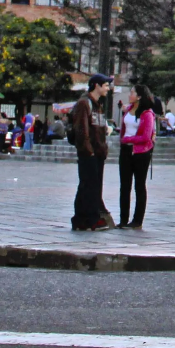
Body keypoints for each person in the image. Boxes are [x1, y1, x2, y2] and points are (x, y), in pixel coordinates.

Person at [68, 74, 115, 231]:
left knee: (92, 186)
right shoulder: (84, 103)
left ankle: (84, 219)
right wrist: (89, 151)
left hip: (98, 152)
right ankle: (88, 218)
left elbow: (99, 129)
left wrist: (102, 149)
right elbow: (82, 130)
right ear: (96, 85)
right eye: (106, 85)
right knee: (88, 186)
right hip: (89, 153)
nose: (108, 89)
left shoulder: (97, 105)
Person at [118, 84, 157, 229]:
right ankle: (123, 219)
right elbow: (125, 128)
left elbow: (145, 136)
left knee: (139, 186)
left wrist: (128, 139)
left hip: (140, 152)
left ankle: (137, 220)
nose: (130, 95)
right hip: (126, 151)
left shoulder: (147, 114)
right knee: (124, 186)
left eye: (132, 92)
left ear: (139, 96)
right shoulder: (128, 110)